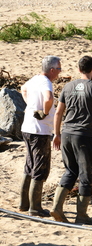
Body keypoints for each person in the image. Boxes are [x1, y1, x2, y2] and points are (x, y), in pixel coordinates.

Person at [51, 55, 92, 224]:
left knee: (70, 171)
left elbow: (58, 113)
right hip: (84, 136)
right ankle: (81, 215)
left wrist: (56, 134)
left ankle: (57, 207)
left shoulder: (67, 86)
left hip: (66, 134)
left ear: (79, 69)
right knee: (87, 174)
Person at [19, 55, 62, 217]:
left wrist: (30, 105)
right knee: (40, 168)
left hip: (27, 128)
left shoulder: (34, 79)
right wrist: (44, 112)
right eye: (58, 69)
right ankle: (35, 207)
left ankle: (24, 203)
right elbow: (49, 98)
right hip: (40, 130)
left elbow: (23, 89)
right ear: (52, 70)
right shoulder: (46, 82)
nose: (60, 72)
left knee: (29, 165)